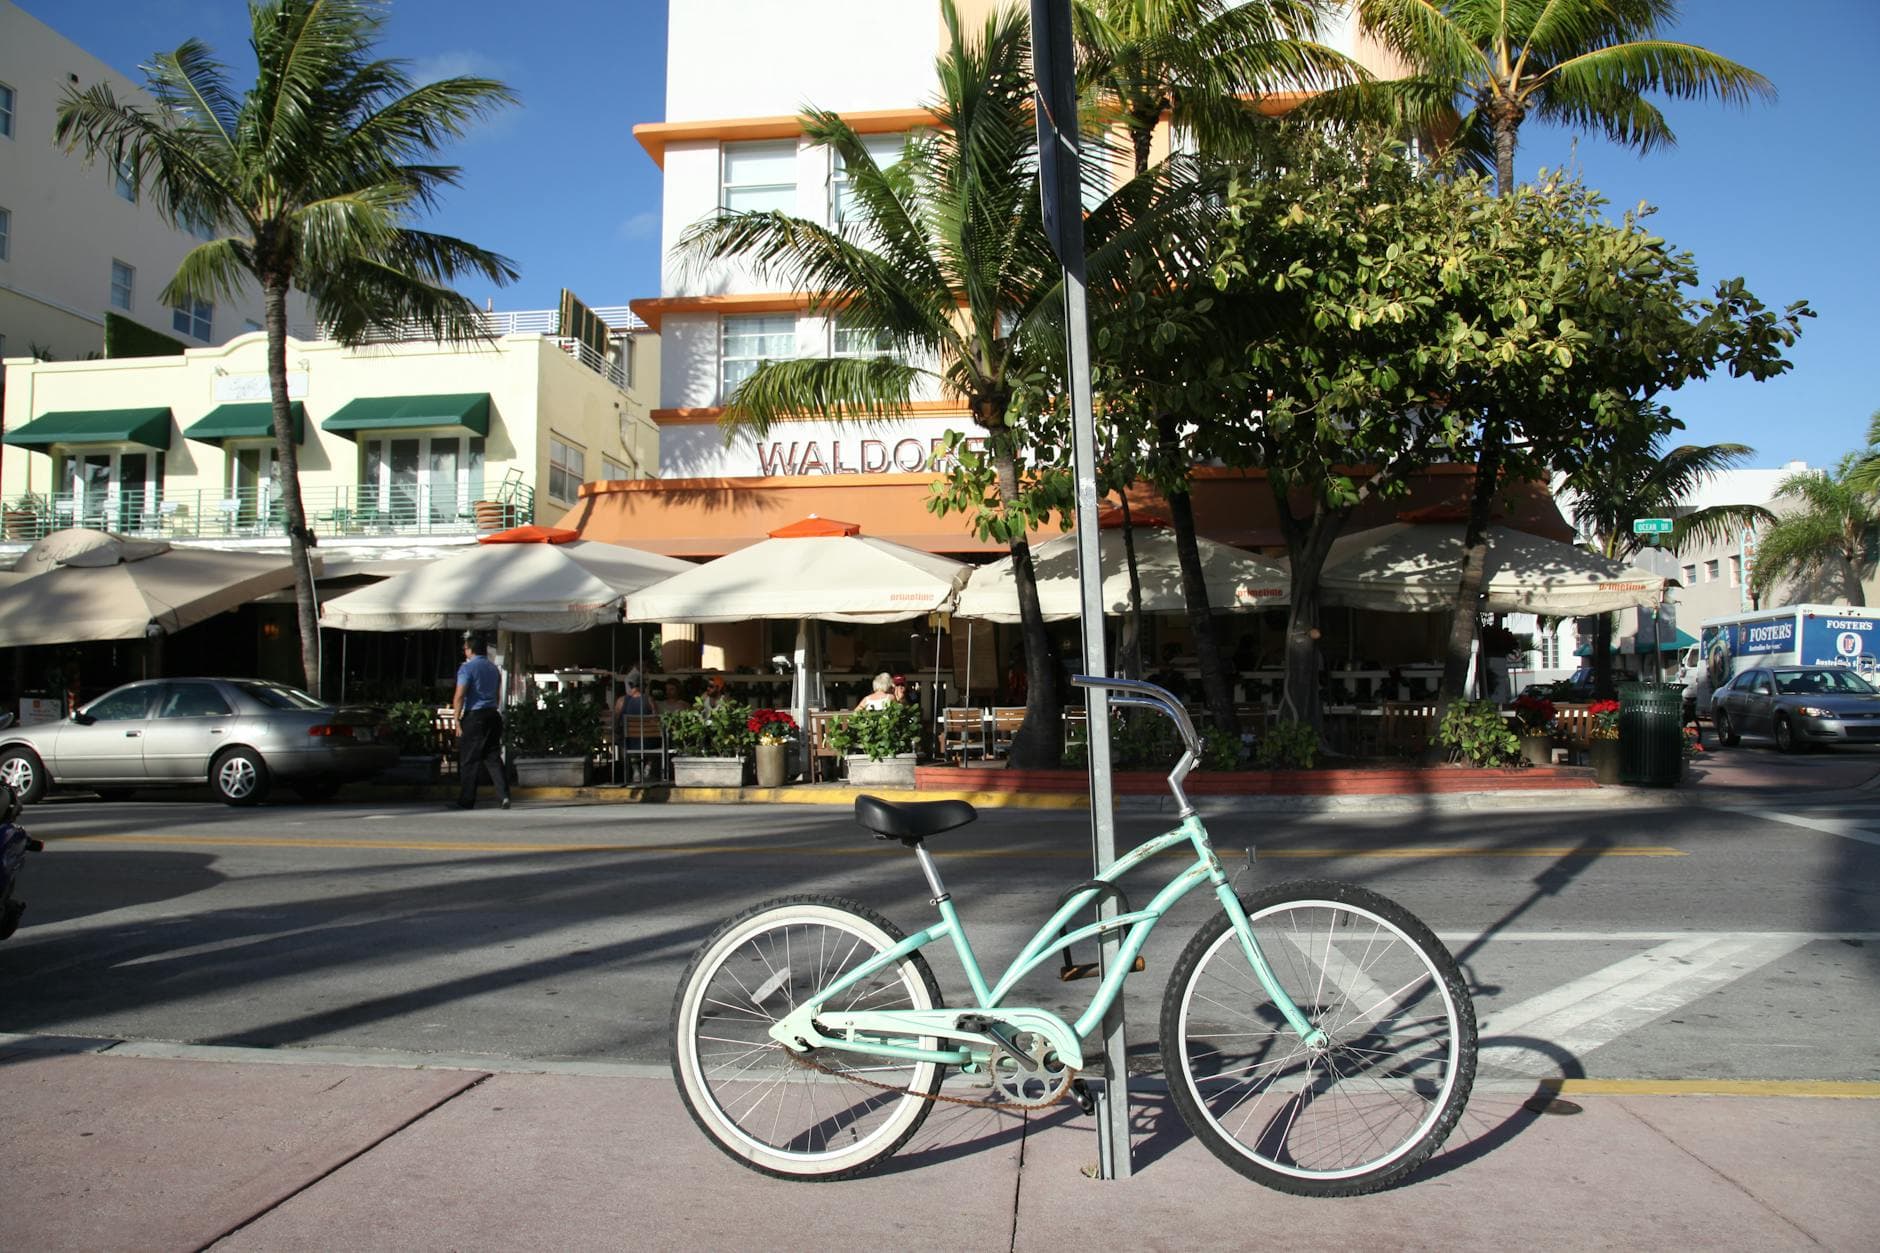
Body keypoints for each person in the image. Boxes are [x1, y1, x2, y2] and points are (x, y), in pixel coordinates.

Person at [451, 630, 511, 810]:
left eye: (465, 648)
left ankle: (467, 799)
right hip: (492, 714)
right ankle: (503, 795)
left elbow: (460, 695)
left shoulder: (467, 668)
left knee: (470, 759)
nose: (464, 651)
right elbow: (497, 694)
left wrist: (457, 718)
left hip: (475, 715)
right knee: (492, 757)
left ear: (470, 649)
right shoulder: (493, 668)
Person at [613, 671, 657, 783]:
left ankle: (635, 769)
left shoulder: (621, 701)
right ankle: (648, 768)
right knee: (657, 738)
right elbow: (656, 720)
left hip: (629, 743)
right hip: (649, 742)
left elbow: (616, 722)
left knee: (622, 738)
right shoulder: (649, 700)